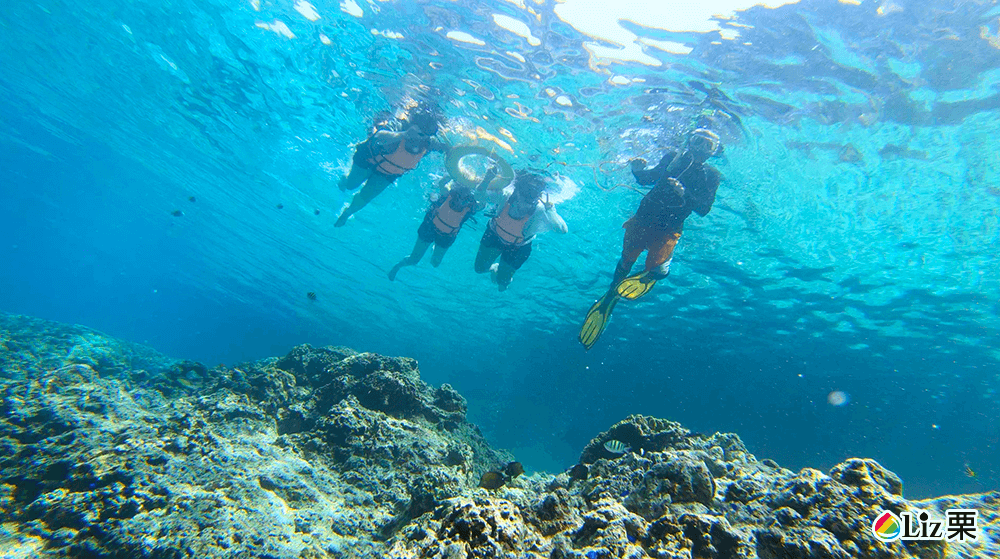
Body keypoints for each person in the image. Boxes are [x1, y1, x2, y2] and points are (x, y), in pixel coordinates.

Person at [579, 128, 723, 350]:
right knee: (626, 260)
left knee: (657, 270)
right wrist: (637, 169)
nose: (702, 148)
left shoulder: (711, 175)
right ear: (689, 142)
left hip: (669, 229)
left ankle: (656, 273)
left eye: (709, 145)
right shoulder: (673, 158)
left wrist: (684, 193)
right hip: (642, 220)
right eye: (698, 141)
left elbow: (704, 209)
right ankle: (611, 294)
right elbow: (648, 179)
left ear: (714, 151)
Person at [335, 111, 450, 227]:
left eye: (429, 133)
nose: (423, 137)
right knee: (350, 185)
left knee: (366, 196)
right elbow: (378, 136)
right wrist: (403, 135)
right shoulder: (399, 126)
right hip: (368, 159)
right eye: (422, 131)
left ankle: (347, 213)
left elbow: (448, 149)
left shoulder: (429, 143)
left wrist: (450, 150)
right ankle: (345, 179)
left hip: (388, 173)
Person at [387, 168, 498, 281]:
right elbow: (442, 183)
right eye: (460, 189)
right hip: (429, 228)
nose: (462, 196)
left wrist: (486, 181)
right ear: (457, 186)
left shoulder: (471, 205)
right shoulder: (447, 193)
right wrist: (453, 173)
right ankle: (398, 266)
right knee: (414, 259)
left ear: (470, 191)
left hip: (447, 236)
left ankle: (435, 246)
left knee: (435, 263)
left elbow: (482, 203)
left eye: (466, 191)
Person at [474, 171, 568, 291]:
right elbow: (478, 196)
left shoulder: (539, 209)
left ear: (539, 194)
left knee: (502, 283)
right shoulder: (506, 196)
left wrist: (550, 209)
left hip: (518, 248)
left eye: (533, 193)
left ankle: (504, 278)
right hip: (494, 236)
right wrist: (486, 180)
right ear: (517, 188)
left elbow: (562, 230)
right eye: (526, 190)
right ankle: (495, 268)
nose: (527, 198)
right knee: (479, 269)